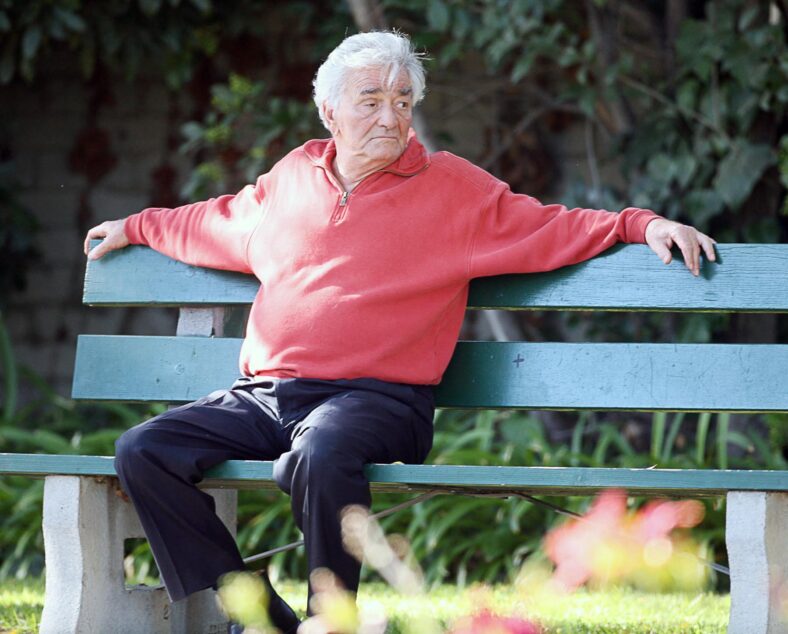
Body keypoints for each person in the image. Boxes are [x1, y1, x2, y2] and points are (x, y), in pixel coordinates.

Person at [83, 31, 716, 633]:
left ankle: (331, 617)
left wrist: (642, 224)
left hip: (378, 400)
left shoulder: (453, 190)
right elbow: (211, 222)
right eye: (372, 101)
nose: (391, 117)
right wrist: (137, 227)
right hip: (267, 394)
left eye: (402, 101)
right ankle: (260, 614)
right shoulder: (291, 179)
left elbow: (554, 226)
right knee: (144, 451)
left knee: (321, 453)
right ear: (329, 112)